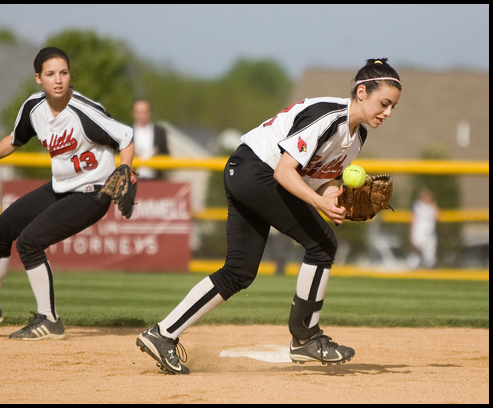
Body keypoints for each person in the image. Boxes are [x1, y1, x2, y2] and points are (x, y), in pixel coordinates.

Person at [136, 58, 402, 374]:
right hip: (256, 170)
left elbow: (322, 175)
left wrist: (331, 194)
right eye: (384, 103)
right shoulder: (329, 116)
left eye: (392, 107)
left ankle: (163, 333)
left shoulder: (357, 137)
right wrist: (318, 203)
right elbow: (284, 171)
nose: (387, 112)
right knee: (323, 245)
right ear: (362, 92)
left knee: (239, 272)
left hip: (246, 172)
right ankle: (306, 337)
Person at [0, 47, 136, 340]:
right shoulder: (34, 109)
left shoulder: (83, 111)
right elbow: (15, 139)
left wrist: (125, 168)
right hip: (61, 187)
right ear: (38, 78)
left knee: (30, 242)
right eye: (50, 74)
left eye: (63, 72)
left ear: (70, 75)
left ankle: (49, 320)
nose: (58, 80)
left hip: (92, 193)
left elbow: (126, 137)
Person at [132, 98, 170, 179]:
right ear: (134, 113)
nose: (142, 115)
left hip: (155, 179)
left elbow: (166, 155)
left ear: (149, 113)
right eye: (139, 112)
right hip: (133, 180)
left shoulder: (160, 132)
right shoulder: (127, 132)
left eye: (144, 112)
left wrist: (156, 156)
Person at [408, 187, 439, 269]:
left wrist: (433, 205)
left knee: (430, 252)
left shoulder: (431, 206)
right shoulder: (418, 205)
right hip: (419, 231)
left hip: (430, 232)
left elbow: (437, 216)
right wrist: (412, 233)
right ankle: (412, 266)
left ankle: (429, 267)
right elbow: (413, 219)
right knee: (416, 250)